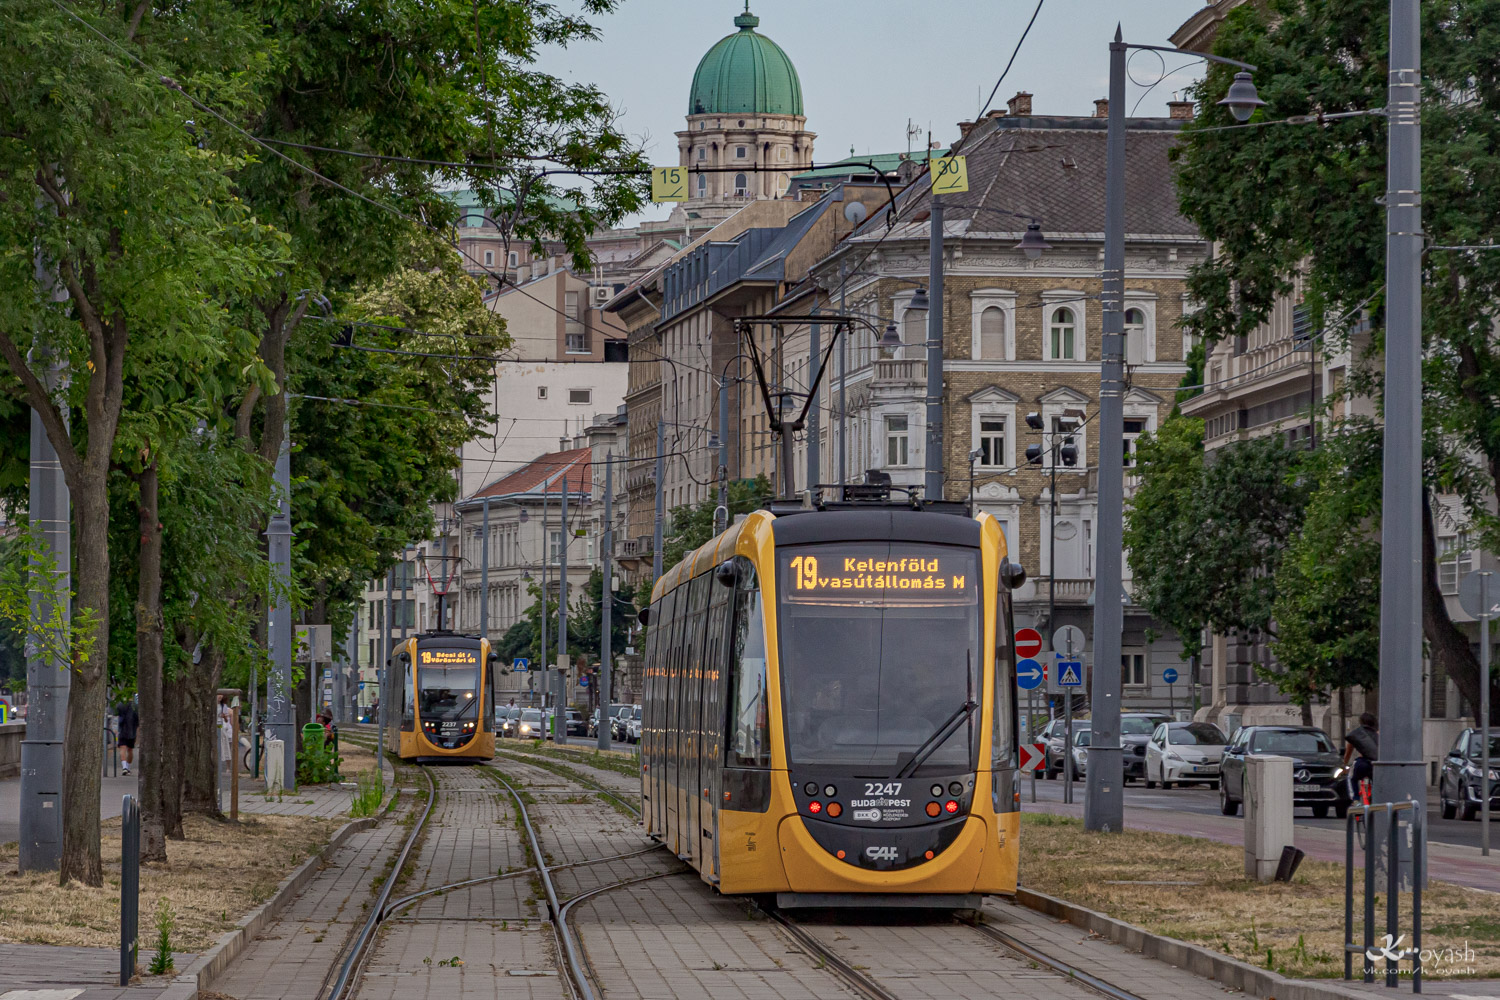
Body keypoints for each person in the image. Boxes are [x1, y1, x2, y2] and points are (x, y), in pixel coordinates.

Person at [1343, 711, 1379, 802]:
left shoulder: (1357, 734)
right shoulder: (1378, 734)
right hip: (1375, 765)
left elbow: (1348, 752)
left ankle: (1355, 799)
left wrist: (1344, 765)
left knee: (1351, 777)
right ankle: (1375, 797)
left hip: (1362, 764)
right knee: (1377, 781)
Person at [116, 698, 139, 776]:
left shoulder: (120, 705)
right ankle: (128, 767)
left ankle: (124, 767)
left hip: (122, 730)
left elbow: (116, 714)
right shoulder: (135, 706)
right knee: (130, 750)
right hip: (132, 731)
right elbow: (138, 720)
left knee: (123, 748)